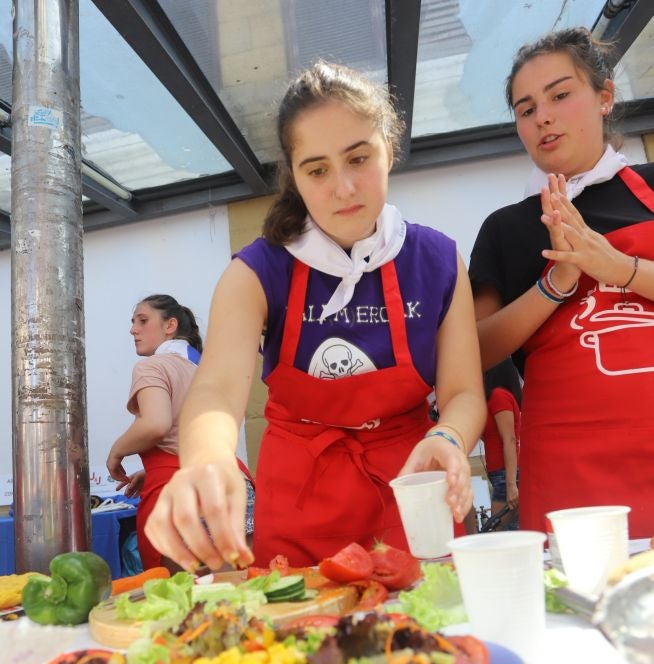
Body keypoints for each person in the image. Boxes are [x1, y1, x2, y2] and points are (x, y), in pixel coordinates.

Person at [145, 61, 486, 571]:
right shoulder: (256, 271)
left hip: (414, 488)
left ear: (389, 150)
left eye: (359, 158)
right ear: (295, 177)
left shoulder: (438, 261)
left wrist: (447, 437)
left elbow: (463, 393)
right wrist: (207, 460)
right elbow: (216, 389)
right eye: (318, 169)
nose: (344, 188)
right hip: (302, 495)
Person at [469, 27, 654, 537]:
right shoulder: (506, 228)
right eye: (526, 109)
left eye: (560, 95)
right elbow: (474, 351)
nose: (543, 116)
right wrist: (557, 282)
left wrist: (619, 268)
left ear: (604, 97)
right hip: (571, 475)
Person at [106, 294, 204, 570]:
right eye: (133, 322)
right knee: (236, 601)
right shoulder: (205, 368)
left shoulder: (152, 366)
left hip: (180, 497)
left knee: (179, 604)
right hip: (229, 486)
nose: (133, 329)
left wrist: (117, 451)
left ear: (170, 325)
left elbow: (155, 425)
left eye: (143, 320)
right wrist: (151, 471)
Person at [482, 359, 522, 527]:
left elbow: (509, 439)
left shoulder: (499, 396)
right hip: (502, 473)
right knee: (509, 530)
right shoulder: (497, 397)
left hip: (505, 474)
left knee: (496, 531)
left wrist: (511, 484)